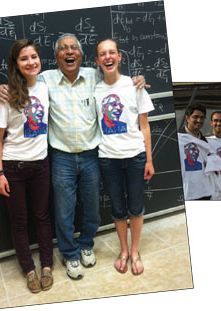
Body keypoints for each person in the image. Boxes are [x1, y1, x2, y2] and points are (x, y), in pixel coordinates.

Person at [0, 33, 147, 280]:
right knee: (63, 211)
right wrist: (0, 88)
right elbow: (21, 82)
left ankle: (86, 244)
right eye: (63, 49)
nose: (69, 52)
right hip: (60, 157)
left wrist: (138, 79)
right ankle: (70, 254)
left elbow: (117, 78)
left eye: (74, 48)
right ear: (56, 57)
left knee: (92, 209)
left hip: (91, 155)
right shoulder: (44, 80)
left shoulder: (95, 76)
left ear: (82, 55)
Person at [0, 39, 53, 292]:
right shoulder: (6, 94)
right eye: (24, 58)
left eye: (34, 57)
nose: (30, 62)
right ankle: (29, 270)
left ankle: (47, 266)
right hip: (13, 168)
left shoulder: (47, 86)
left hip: (41, 164)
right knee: (19, 222)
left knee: (42, 216)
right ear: (16, 64)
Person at [94, 38, 155, 275]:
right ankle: (124, 251)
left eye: (112, 52)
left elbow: (145, 126)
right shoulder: (96, 89)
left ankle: (136, 250)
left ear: (119, 56)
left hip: (136, 157)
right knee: (118, 208)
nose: (107, 57)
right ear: (97, 61)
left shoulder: (134, 85)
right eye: (102, 54)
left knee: (136, 206)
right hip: (108, 158)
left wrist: (149, 159)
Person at [178, 104, 219, 200]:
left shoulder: (207, 143)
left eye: (202, 118)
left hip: (205, 193)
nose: (199, 120)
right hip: (187, 195)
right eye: (195, 117)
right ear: (187, 118)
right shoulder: (178, 140)